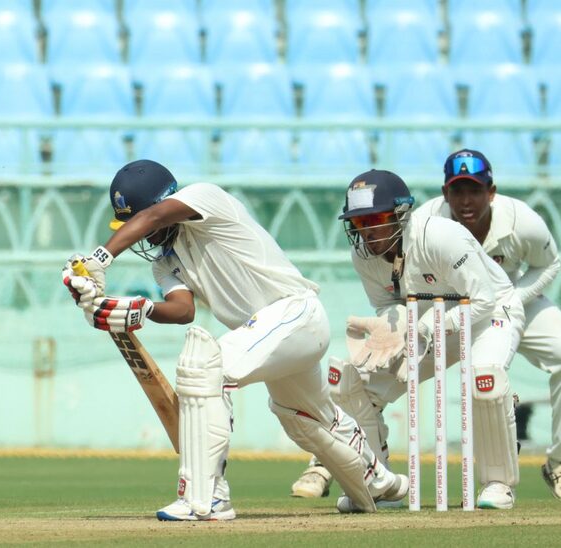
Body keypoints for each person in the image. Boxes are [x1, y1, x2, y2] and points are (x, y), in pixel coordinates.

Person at [62, 159, 408, 520]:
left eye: (140, 223)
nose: (146, 237)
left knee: (207, 366)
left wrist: (99, 258)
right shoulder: (164, 262)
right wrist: (139, 309)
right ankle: (377, 481)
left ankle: (207, 497)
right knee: (307, 419)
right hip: (267, 336)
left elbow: (155, 217)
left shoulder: (205, 198)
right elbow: (183, 310)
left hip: (295, 313)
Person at [292, 168, 524, 510]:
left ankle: (498, 484)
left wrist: (428, 326)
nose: (368, 231)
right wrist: (388, 329)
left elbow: (484, 300)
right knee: (354, 385)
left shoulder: (442, 237)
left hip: (489, 314)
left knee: (484, 380)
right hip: (427, 324)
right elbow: (390, 305)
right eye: (359, 223)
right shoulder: (364, 257)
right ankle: (377, 483)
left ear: (401, 213)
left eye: (378, 218)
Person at [415, 148, 561, 500]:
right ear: (444, 193)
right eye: (458, 191)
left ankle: (558, 464)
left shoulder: (520, 220)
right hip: (451, 307)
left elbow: (550, 263)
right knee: (390, 368)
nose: (466, 200)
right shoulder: (425, 223)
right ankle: (345, 464)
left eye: (475, 190)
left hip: (510, 299)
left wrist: (511, 297)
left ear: (491, 192)